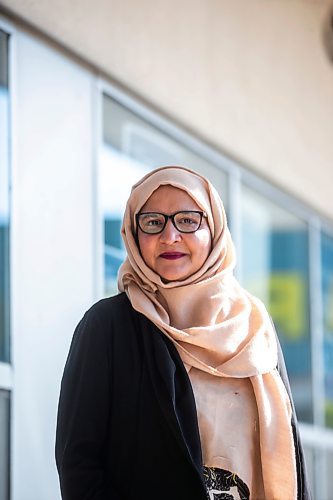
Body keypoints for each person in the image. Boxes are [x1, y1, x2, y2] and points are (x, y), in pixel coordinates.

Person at [55, 165, 311, 500]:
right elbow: (79, 462)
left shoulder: (254, 326)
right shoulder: (107, 327)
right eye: (152, 222)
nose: (169, 236)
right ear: (133, 234)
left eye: (188, 220)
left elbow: (288, 446)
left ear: (215, 229)